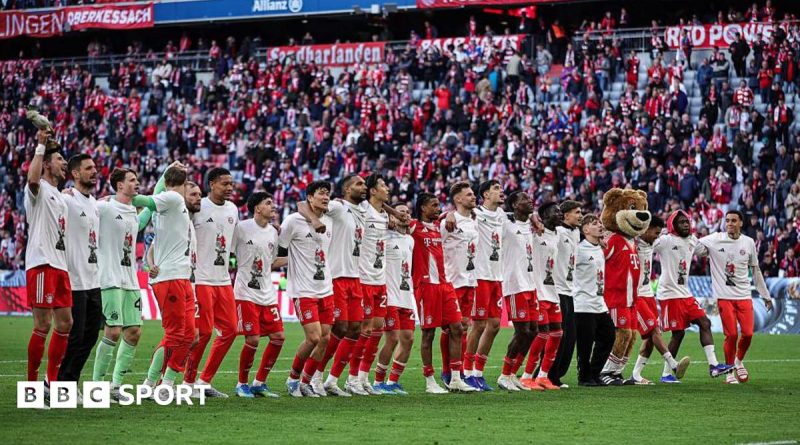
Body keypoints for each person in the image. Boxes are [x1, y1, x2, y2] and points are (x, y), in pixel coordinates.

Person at [133, 164, 196, 393]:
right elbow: (146, 201)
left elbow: (156, 242)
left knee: (190, 334)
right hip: (170, 278)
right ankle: (149, 382)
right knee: (175, 333)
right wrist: (122, 196)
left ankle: (167, 381)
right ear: (183, 182)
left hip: (181, 276)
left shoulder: (173, 205)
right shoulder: (172, 199)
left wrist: (150, 261)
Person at [91, 168, 151, 399]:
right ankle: (97, 387)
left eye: (138, 179)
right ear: (119, 185)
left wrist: (166, 177)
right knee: (113, 331)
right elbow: (83, 209)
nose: (137, 183)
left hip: (131, 280)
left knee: (134, 332)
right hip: (109, 278)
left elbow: (151, 208)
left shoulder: (134, 214)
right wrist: (69, 194)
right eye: (132, 180)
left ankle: (116, 387)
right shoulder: (105, 207)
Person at [654, 210, 734, 378]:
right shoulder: (665, 241)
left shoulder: (692, 240)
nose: (685, 224)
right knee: (678, 333)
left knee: (705, 323)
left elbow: (706, 250)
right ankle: (666, 373)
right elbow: (647, 245)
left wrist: (724, 243)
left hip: (685, 293)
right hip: (669, 294)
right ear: (673, 225)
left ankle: (713, 366)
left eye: (687, 222)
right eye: (681, 222)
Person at [697, 210, 774, 384]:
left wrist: (765, 296)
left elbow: (756, 270)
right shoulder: (715, 239)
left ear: (741, 223)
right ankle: (729, 371)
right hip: (724, 297)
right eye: (727, 220)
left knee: (747, 334)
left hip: (744, 296)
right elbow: (694, 246)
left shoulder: (748, 242)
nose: (730, 223)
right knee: (731, 335)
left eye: (733, 221)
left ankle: (738, 361)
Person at [24, 130, 73, 401]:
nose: (64, 163)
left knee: (65, 323)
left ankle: (50, 383)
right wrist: (41, 145)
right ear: (46, 164)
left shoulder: (59, 194)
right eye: (60, 158)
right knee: (42, 324)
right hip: (42, 262)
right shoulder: (38, 189)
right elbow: (32, 178)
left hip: (60, 265)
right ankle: (31, 387)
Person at [308, 174, 367, 397]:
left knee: (355, 328)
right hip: (337, 275)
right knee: (339, 327)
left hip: (355, 276)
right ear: (346, 189)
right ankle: (315, 376)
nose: (363, 187)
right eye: (358, 184)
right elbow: (305, 204)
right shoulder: (339, 207)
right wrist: (314, 220)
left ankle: (332, 380)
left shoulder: (364, 210)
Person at [411, 193, 475, 393]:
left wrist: (449, 214)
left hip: (445, 285)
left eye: (439, 205)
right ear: (422, 208)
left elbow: (453, 214)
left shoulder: (439, 227)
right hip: (426, 286)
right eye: (433, 205)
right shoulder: (414, 227)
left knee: (457, 328)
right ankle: (430, 380)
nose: (438, 208)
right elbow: (400, 218)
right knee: (428, 333)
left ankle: (455, 377)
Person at [185, 167, 240, 398]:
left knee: (230, 330)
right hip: (202, 279)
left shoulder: (233, 209)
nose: (229, 188)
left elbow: (234, 241)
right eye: (224, 183)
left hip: (223, 280)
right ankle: (187, 383)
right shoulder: (198, 207)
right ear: (212, 185)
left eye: (231, 184)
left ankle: (204, 381)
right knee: (204, 332)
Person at [280, 181, 335, 397]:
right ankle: (292, 379)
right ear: (309, 198)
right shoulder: (293, 221)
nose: (326, 197)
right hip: (303, 289)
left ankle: (306, 381)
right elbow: (280, 250)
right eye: (321, 193)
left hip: (326, 287)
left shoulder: (331, 219)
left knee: (325, 338)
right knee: (313, 337)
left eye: (328, 193)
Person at [232, 192, 286, 398]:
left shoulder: (273, 232)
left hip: (267, 294)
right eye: (268, 203)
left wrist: (296, 258)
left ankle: (259, 382)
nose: (273, 206)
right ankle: (241, 384)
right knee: (252, 339)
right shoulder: (241, 228)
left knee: (279, 337)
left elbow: (271, 262)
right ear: (257, 208)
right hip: (246, 293)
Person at [630, 217, 691, 384]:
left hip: (648, 293)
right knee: (653, 330)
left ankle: (636, 375)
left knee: (650, 337)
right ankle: (673, 364)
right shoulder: (632, 243)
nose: (657, 237)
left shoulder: (651, 243)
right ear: (646, 230)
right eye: (655, 233)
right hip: (636, 295)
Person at [58, 154, 101, 391]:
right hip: (74, 279)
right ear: (75, 173)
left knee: (91, 335)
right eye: (88, 168)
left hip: (94, 279)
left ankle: (70, 381)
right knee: (75, 336)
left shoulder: (94, 203)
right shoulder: (68, 199)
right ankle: (62, 384)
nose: (94, 171)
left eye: (95, 167)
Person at [349, 174, 391, 395]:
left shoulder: (384, 214)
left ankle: (364, 378)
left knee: (377, 330)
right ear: (373, 191)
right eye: (383, 185)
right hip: (363, 278)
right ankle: (352, 378)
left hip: (380, 279)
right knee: (364, 330)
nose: (387, 188)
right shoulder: (362, 210)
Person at [463, 180, 507, 391]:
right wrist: (451, 215)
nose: (501, 192)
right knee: (478, 325)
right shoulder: (477, 214)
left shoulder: (503, 216)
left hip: (497, 277)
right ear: (485, 195)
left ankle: (479, 372)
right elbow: (452, 215)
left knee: (495, 325)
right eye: (496, 189)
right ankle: (466, 370)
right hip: (480, 276)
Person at [496, 191, 539, 391]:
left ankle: (513, 374)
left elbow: (536, 215)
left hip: (530, 285)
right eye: (524, 200)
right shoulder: (506, 223)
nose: (529, 202)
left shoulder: (531, 225)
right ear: (514, 204)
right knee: (522, 331)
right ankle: (504, 374)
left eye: (530, 200)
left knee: (533, 331)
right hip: (515, 285)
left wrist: (533, 216)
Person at [372, 204, 415, 395]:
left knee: (408, 339)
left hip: (407, 296)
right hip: (390, 296)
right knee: (392, 338)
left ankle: (393, 381)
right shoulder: (385, 236)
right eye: (401, 211)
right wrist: (387, 216)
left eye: (407, 212)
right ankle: (378, 381)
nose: (405, 214)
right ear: (393, 216)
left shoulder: (410, 239)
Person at [440, 181, 479, 389]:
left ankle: (459, 371)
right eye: (469, 194)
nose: (474, 197)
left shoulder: (474, 220)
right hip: (452, 281)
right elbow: (436, 245)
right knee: (451, 328)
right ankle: (448, 372)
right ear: (458, 199)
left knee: (463, 327)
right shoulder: (447, 222)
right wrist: (447, 214)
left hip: (470, 281)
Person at [521, 202, 562, 390]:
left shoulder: (558, 234)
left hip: (553, 292)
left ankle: (543, 376)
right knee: (543, 334)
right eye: (556, 211)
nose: (560, 214)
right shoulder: (534, 233)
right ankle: (526, 376)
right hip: (538, 291)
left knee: (557, 333)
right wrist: (535, 218)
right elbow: (526, 215)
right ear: (544, 215)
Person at [573, 215, 614, 386]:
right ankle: (584, 376)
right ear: (585, 229)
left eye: (600, 223)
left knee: (609, 336)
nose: (599, 225)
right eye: (594, 223)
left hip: (599, 303)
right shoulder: (579, 249)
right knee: (585, 343)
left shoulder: (600, 248)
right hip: (582, 303)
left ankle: (594, 372)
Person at [548, 200, 582, 388]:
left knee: (569, 337)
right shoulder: (558, 232)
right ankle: (545, 374)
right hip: (557, 289)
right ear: (566, 215)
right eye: (577, 212)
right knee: (559, 336)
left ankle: (555, 375)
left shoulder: (576, 232)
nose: (580, 215)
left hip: (570, 290)